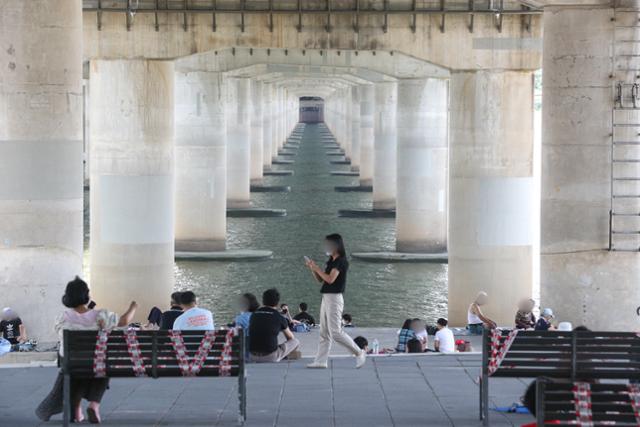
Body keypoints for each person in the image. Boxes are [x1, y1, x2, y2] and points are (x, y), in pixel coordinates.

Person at [40, 276, 138, 424]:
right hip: (96, 362)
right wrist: (133, 307)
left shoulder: (61, 318)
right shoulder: (101, 316)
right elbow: (123, 321)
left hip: (70, 363)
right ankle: (94, 405)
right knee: (102, 364)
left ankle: (77, 409)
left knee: (79, 366)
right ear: (87, 295)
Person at [304, 233, 366, 369]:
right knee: (324, 332)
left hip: (335, 298)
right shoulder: (332, 261)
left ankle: (359, 352)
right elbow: (321, 279)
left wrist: (317, 269)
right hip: (326, 297)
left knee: (335, 332)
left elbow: (330, 279)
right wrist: (312, 269)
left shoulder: (341, 261)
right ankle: (321, 361)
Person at [248, 288, 300, 363]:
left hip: (251, 356)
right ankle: (285, 355)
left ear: (263, 301)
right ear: (277, 303)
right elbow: (290, 338)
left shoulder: (254, 314)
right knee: (296, 341)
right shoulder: (279, 316)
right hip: (270, 357)